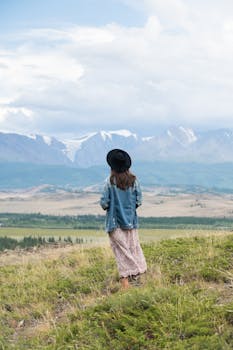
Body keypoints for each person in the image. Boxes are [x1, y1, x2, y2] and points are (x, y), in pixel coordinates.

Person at [100, 149, 147, 290]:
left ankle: (126, 285)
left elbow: (104, 203)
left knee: (121, 253)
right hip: (131, 223)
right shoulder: (134, 181)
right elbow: (139, 201)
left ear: (112, 166)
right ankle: (140, 277)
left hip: (115, 224)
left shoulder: (109, 182)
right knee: (134, 249)